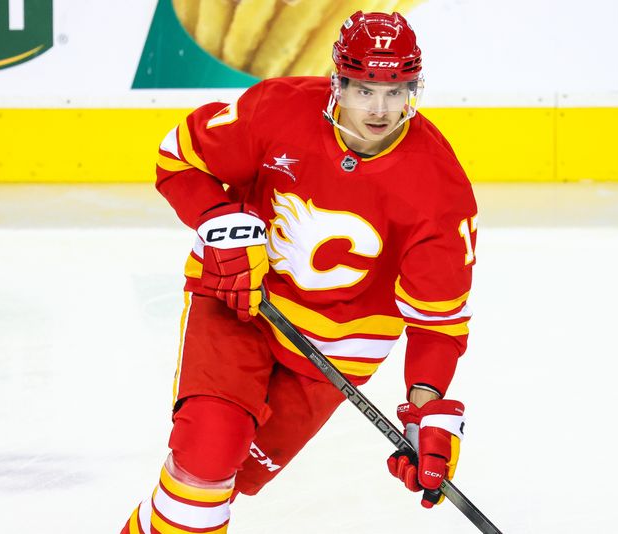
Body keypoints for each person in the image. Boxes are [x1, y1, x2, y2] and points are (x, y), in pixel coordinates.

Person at [121, 11, 477, 534]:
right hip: (241, 300)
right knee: (207, 457)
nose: (380, 109)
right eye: (364, 90)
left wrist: (428, 414)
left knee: (233, 479)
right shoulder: (277, 109)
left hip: (337, 353)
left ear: (413, 89)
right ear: (339, 82)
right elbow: (179, 162)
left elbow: (437, 325)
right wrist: (219, 223)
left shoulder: (439, 189)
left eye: (396, 91)